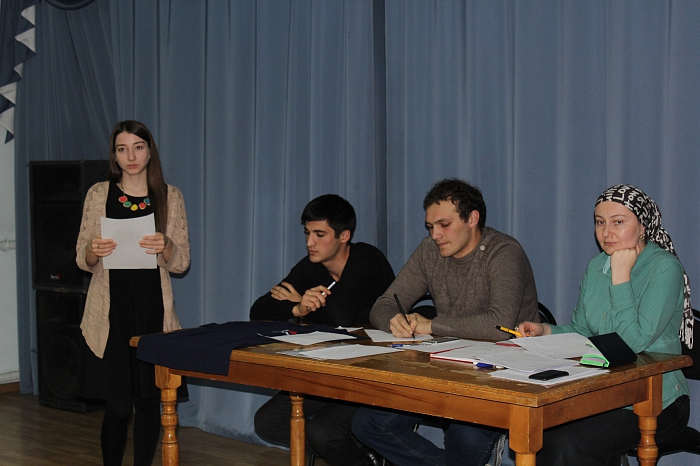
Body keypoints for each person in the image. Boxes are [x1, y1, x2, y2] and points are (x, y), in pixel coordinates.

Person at [352, 178, 539, 466]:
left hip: (501, 374)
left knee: (465, 439)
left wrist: (430, 325)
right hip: (447, 369)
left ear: (472, 219)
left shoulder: (504, 252)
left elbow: (499, 325)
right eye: (430, 226)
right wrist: (393, 320)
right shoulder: (430, 251)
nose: (435, 234)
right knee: (369, 423)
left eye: (444, 224)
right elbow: (384, 303)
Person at [517, 184, 691, 466]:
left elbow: (633, 343)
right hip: (604, 393)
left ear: (642, 226)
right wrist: (545, 331)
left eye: (618, 222)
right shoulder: (597, 267)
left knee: (569, 445)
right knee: (543, 433)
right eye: (600, 222)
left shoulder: (664, 267)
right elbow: (582, 331)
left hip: (657, 400)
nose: (606, 232)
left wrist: (621, 277)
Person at [76, 120, 190, 466]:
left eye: (138, 147)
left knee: (149, 403)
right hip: (112, 310)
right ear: (114, 155)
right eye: (122, 149)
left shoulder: (170, 196)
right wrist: (94, 250)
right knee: (117, 407)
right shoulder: (99, 194)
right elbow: (82, 258)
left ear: (149, 151)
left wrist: (165, 245)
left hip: (153, 309)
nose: (131, 156)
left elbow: (181, 263)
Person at [250, 194, 395, 466]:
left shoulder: (367, 260)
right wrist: (297, 308)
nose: (309, 243)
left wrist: (305, 305)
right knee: (267, 422)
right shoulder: (311, 266)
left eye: (319, 234)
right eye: (307, 233)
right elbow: (259, 310)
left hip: (373, 372)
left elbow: (342, 316)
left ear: (344, 236)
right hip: (330, 368)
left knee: (323, 433)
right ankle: (364, 454)